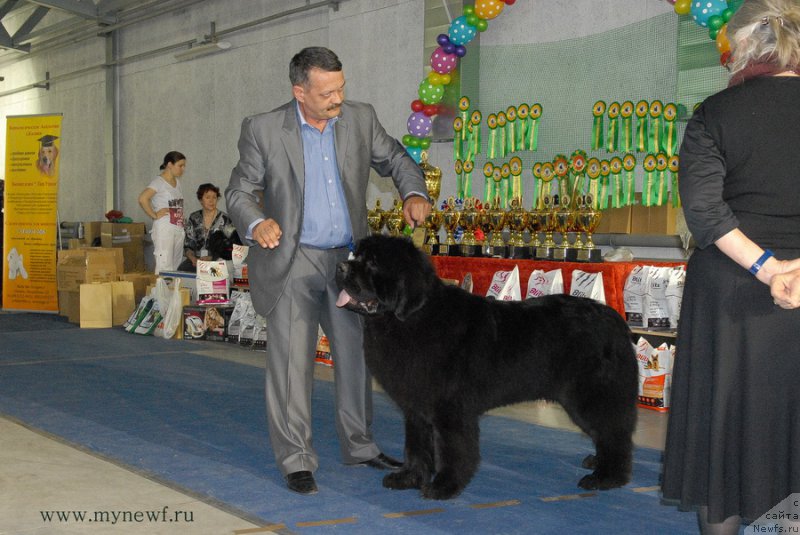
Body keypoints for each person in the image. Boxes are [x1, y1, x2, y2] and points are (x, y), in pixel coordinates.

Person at [225, 46, 431, 495]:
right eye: (326, 93)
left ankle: (359, 444)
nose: (337, 99)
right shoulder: (263, 129)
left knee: (358, 356)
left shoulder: (359, 118)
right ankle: (296, 458)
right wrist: (257, 222)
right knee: (291, 364)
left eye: (341, 88)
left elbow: (395, 159)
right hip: (291, 260)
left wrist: (413, 191)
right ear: (300, 91)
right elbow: (239, 190)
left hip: (349, 263)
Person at [661, 1, 800, 532]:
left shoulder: (714, 113)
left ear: (744, 46)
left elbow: (703, 211)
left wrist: (770, 270)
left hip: (728, 298)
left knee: (721, 441)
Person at [138, 151, 187, 274]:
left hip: (178, 227)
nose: (183, 169)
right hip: (165, 228)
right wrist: (154, 215)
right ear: (170, 165)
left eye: (184, 166)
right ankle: (162, 292)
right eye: (180, 166)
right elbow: (143, 198)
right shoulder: (158, 182)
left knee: (176, 264)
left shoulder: (177, 183)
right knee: (164, 264)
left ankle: (172, 292)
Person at [176, 183, 239, 272]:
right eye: (208, 197)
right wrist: (193, 259)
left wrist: (211, 257)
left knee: (215, 274)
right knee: (182, 270)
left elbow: (232, 247)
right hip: (196, 261)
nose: (211, 201)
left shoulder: (225, 219)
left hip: (218, 261)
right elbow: (188, 245)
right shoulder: (194, 217)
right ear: (201, 200)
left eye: (214, 197)